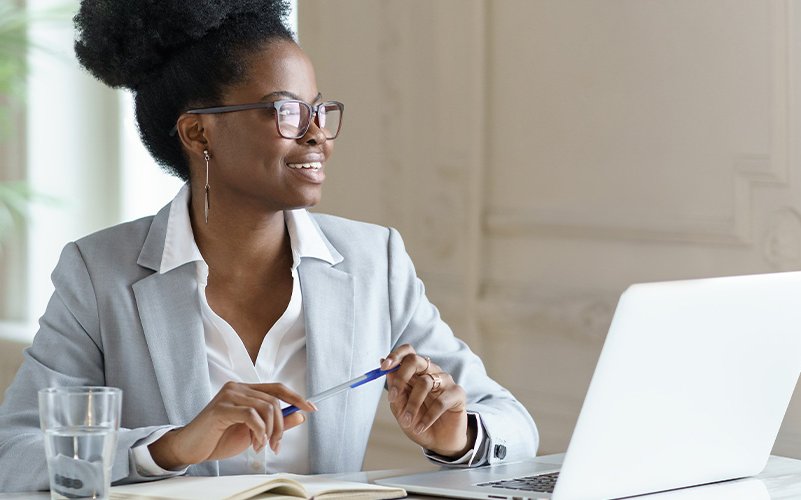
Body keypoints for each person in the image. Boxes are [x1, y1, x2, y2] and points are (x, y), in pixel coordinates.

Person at [0, 0, 538, 492]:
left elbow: (514, 424)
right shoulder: (99, 273)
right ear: (198, 134)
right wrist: (171, 447)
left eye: (319, 110)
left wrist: (456, 433)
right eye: (285, 111)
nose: (317, 134)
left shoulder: (376, 260)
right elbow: (15, 456)